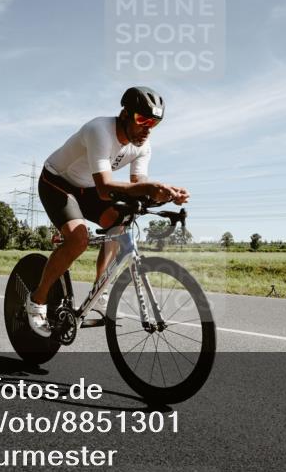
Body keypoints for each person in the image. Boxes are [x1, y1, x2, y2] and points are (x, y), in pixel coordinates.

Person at [27, 86, 189, 337]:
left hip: (88, 187)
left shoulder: (143, 146)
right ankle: (37, 301)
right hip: (58, 181)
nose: (147, 129)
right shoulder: (99, 130)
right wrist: (150, 188)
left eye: (154, 123)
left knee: (120, 223)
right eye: (142, 120)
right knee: (78, 239)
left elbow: (137, 186)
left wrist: (166, 194)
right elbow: (105, 189)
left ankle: (100, 292)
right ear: (125, 115)